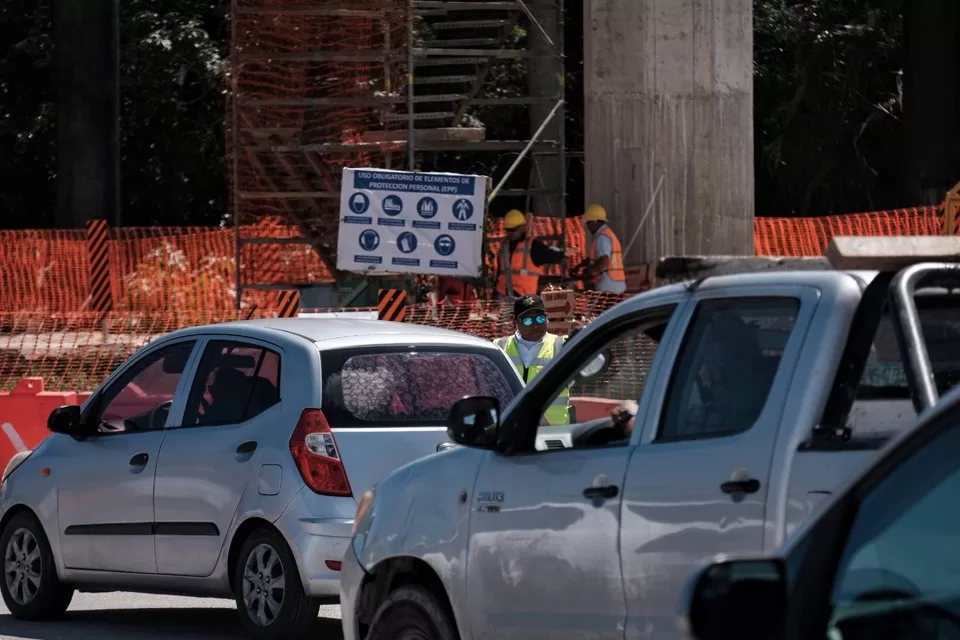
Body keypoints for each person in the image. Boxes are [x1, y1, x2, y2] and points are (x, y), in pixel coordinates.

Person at [492, 294, 571, 425]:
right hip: (511, 430)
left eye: (540, 318)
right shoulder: (499, 347)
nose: (535, 325)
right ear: (515, 322)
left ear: (547, 318)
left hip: (553, 433)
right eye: (528, 320)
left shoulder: (563, 346)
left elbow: (591, 369)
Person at [495, 209, 570, 299]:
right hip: (503, 295)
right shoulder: (503, 246)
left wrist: (562, 253)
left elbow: (548, 252)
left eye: (513, 229)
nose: (510, 233)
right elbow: (500, 272)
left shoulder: (533, 245)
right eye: (508, 230)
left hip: (525, 298)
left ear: (522, 227)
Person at [577, 204, 626, 294]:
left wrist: (588, 272)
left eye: (588, 223)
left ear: (594, 221)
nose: (587, 227)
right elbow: (596, 258)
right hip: (615, 284)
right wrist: (579, 266)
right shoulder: (608, 234)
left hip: (608, 287)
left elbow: (604, 261)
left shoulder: (602, 237)